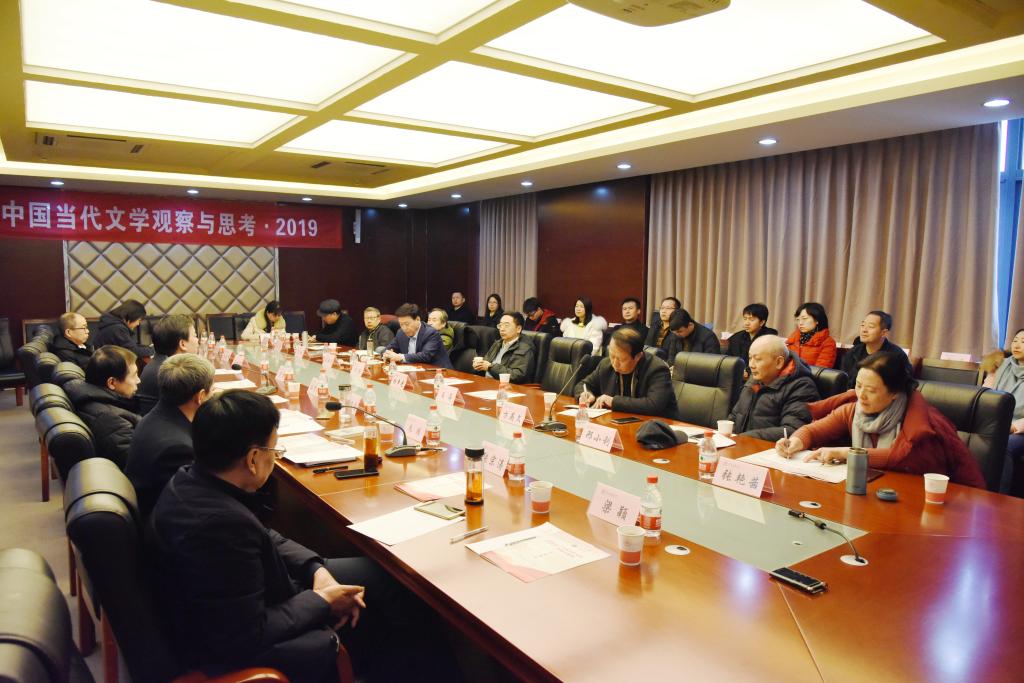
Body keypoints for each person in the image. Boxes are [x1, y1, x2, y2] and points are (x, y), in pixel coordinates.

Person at [147, 391, 461, 682]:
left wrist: (316, 570)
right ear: (253, 459)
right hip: (250, 642)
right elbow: (245, 635)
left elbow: (262, 535)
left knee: (388, 578)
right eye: (273, 450)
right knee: (388, 606)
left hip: (266, 592)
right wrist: (322, 601)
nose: (274, 457)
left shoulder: (192, 480)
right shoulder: (218, 526)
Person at [776, 351, 985, 486]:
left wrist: (847, 453)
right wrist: (795, 441)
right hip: (880, 490)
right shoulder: (854, 409)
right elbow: (813, 431)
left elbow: (904, 458)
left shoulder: (923, 422)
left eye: (871, 390)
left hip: (942, 500)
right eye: (858, 386)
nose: (861, 395)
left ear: (894, 392)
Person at [127, 353, 213, 518]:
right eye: (211, 391)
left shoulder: (155, 417)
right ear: (201, 396)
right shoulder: (178, 449)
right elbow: (194, 503)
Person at [727, 335, 819, 441]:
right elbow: (735, 415)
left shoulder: (801, 387)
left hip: (769, 449)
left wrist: (744, 438)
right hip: (741, 445)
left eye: (757, 359)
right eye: (750, 358)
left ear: (779, 362)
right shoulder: (756, 378)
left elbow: (794, 430)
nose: (751, 365)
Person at [64, 345, 141, 470]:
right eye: (134, 375)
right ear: (112, 383)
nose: (138, 380)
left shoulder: (87, 396)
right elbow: (136, 465)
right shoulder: (113, 420)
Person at [574, 328, 678, 419]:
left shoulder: (657, 369)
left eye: (621, 359)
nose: (614, 363)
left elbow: (653, 405)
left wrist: (613, 401)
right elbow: (583, 384)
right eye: (612, 356)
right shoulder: (605, 365)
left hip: (655, 427)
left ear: (638, 356)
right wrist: (585, 394)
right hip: (616, 423)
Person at [136, 314, 199, 416]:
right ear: (182, 344)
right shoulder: (173, 374)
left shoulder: (158, 363)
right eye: (195, 336)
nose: (197, 340)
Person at [991, 329, 1024, 469]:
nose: (1017, 345)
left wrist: (1013, 426)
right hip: (997, 422)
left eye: (1023, 342)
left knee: (1004, 446)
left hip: (1020, 429)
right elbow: (986, 395)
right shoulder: (1003, 365)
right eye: (1015, 341)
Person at [841, 310, 910, 377]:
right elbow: (844, 378)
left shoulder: (897, 356)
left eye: (871, 326)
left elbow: (906, 382)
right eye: (863, 325)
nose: (864, 330)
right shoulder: (853, 352)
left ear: (884, 333)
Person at [383, 303, 452, 368]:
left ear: (417, 319)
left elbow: (425, 356)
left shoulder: (431, 333)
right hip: (412, 370)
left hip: (437, 371)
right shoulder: (400, 333)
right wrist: (387, 354)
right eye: (401, 324)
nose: (404, 328)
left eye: (407, 324)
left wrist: (400, 357)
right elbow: (389, 348)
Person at [473, 312, 536, 384]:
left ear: (518, 329)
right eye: (500, 325)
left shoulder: (524, 348)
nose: (502, 329)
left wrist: (490, 367)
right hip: (486, 383)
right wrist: (479, 365)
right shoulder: (498, 343)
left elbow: (516, 376)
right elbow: (486, 362)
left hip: (506, 387)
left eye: (506, 325)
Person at [785, 302, 837, 368]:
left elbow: (821, 370)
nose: (800, 323)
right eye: (798, 319)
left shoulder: (828, 343)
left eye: (804, 318)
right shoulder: (793, 339)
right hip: (788, 374)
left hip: (810, 374)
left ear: (817, 320)